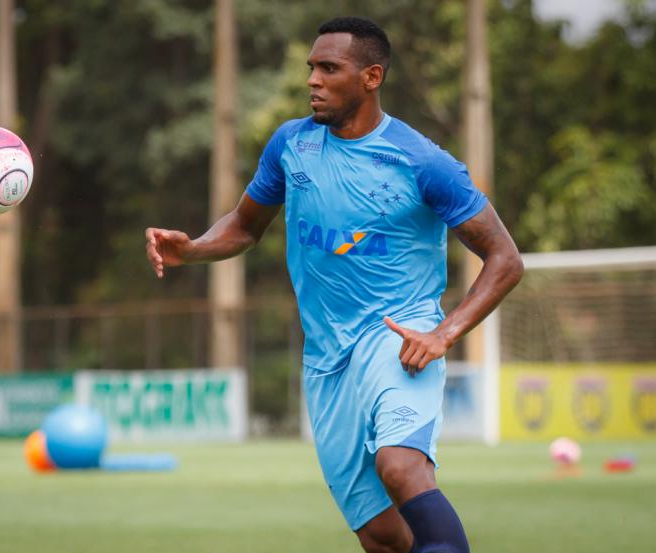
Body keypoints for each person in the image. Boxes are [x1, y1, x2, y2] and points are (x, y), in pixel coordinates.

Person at [145, 16, 523, 553]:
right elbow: (247, 225)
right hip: (326, 359)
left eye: (329, 68)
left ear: (372, 77)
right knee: (383, 536)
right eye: (311, 68)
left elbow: (505, 258)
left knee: (401, 466)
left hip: (399, 335)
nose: (313, 81)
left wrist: (444, 333)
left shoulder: (423, 162)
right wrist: (195, 249)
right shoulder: (291, 145)